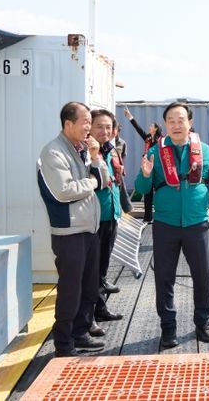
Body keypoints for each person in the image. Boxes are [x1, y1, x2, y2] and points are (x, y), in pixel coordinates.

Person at [134, 102, 209, 348]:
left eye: (180, 120)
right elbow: (141, 189)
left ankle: (203, 323)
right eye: (171, 121)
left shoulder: (204, 150)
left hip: (197, 224)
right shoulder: (155, 152)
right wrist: (146, 174)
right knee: (164, 279)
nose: (176, 125)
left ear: (190, 123)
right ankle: (168, 328)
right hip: (165, 224)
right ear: (165, 124)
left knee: (203, 277)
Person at [37, 102, 109, 357]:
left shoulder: (82, 149)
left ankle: (81, 333)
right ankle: (63, 343)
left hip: (88, 228)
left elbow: (104, 179)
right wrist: (92, 182)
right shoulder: (53, 152)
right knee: (70, 290)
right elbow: (63, 191)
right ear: (68, 124)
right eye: (85, 122)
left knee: (89, 287)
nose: (89, 127)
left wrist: (95, 158)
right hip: (69, 232)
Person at [89, 109, 125, 323]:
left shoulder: (111, 150)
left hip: (111, 214)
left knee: (102, 265)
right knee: (92, 269)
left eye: (108, 127)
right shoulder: (86, 153)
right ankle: (91, 314)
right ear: (90, 127)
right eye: (99, 126)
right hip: (94, 218)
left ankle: (100, 308)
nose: (104, 131)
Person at [123, 107, 162, 223]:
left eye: (151, 126)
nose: (149, 127)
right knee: (147, 192)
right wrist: (130, 116)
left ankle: (161, 216)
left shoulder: (162, 140)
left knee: (160, 192)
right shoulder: (148, 138)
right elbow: (138, 128)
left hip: (158, 169)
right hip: (148, 169)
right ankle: (147, 217)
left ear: (155, 129)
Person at [114, 125, 133, 213]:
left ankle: (126, 207)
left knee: (121, 188)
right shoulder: (107, 141)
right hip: (110, 167)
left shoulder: (122, 143)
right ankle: (125, 207)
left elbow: (123, 156)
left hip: (118, 169)